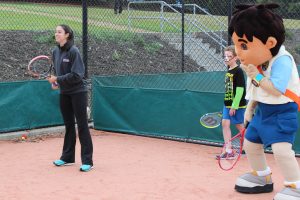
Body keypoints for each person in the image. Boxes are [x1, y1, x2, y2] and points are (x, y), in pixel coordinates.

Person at [229, 3, 300, 199]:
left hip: (282, 112)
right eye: (237, 45)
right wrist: (249, 110)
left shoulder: (282, 60)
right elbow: (257, 92)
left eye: (243, 46)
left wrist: (256, 76)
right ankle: (262, 177)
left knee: (281, 150)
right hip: (262, 112)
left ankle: (296, 186)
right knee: (250, 144)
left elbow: (276, 90)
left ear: (269, 43)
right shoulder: (259, 62)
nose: (238, 51)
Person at [48, 24, 94, 172]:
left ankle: (87, 161)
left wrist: (58, 79)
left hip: (78, 92)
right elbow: (58, 72)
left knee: (82, 126)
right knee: (68, 125)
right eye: (56, 32)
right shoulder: (55, 52)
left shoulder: (74, 51)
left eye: (59, 32)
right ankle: (67, 157)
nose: (56, 34)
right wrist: (55, 82)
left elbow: (77, 74)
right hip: (64, 93)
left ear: (67, 35)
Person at [216, 45, 246, 159]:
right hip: (227, 104)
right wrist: (227, 104)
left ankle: (248, 146)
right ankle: (228, 150)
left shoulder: (238, 71)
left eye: (229, 56)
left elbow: (240, 90)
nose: (226, 58)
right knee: (225, 123)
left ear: (236, 57)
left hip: (237, 104)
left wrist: (234, 106)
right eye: (225, 56)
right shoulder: (228, 70)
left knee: (239, 125)